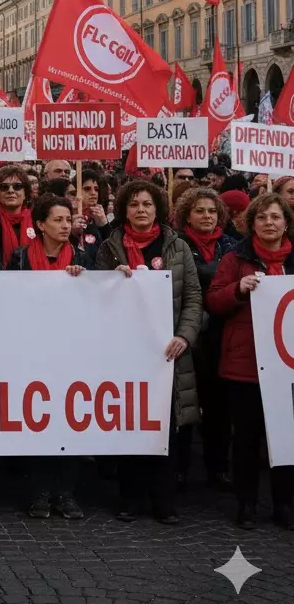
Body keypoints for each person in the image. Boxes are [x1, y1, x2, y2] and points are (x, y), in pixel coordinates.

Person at [95, 180, 201, 524]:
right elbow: (94, 298)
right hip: (124, 355)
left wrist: (185, 335)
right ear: (125, 209)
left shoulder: (178, 247)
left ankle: (163, 501)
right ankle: (130, 498)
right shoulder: (109, 249)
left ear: (158, 209)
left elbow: (193, 298)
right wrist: (111, 279)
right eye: (134, 204)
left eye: (147, 204)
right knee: (129, 426)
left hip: (166, 355)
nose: (141, 210)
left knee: (165, 428)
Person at [207, 192, 294, 529]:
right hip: (246, 365)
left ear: (286, 221)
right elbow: (214, 300)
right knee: (245, 438)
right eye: (262, 217)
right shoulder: (235, 258)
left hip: (287, 367)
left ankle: (283, 503)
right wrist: (237, 290)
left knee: (286, 438)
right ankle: (246, 504)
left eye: (275, 217)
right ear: (251, 223)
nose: (269, 223)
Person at [5, 194, 90, 520]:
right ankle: (39, 491)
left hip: (72, 353)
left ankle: (66, 492)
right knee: (39, 420)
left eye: (68, 220)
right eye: (57, 220)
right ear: (40, 225)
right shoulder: (21, 259)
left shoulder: (85, 257)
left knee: (69, 421)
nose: (65, 225)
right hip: (33, 352)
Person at [174, 187, 239, 491]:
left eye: (212, 211)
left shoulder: (232, 246)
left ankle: (218, 466)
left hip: (222, 335)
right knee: (186, 403)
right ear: (187, 214)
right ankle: (180, 467)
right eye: (200, 210)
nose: (207, 216)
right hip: (189, 335)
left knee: (218, 405)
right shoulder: (178, 245)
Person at [0, 164, 35, 268]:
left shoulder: (38, 221)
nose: (10, 191)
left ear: (25, 193)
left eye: (17, 186)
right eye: (4, 187)